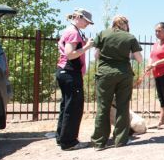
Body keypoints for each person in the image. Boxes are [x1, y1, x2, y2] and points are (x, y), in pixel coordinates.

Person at [90, 15, 143, 150]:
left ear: (113, 23)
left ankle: (99, 142)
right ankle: (120, 140)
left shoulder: (102, 34)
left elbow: (96, 56)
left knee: (103, 107)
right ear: (125, 24)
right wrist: (126, 54)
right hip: (124, 74)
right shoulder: (129, 37)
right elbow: (139, 59)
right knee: (122, 107)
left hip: (104, 74)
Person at [55, 8, 95, 151]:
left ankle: (62, 138)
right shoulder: (73, 32)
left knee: (66, 105)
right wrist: (87, 47)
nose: (87, 24)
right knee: (74, 107)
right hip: (70, 72)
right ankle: (69, 142)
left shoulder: (72, 31)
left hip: (65, 72)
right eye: (86, 21)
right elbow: (70, 54)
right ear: (78, 17)